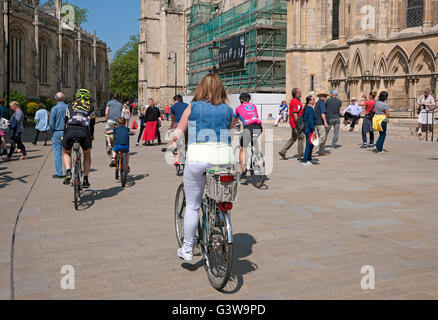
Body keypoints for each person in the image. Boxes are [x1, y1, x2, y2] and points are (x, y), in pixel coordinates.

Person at [172, 73, 235, 262]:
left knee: (192, 205)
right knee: (221, 198)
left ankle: (188, 249)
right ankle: (220, 221)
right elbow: (230, 136)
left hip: (199, 157)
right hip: (223, 157)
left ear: (201, 88)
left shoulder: (193, 107)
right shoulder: (229, 110)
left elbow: (178, 132)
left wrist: (173, 147)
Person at [62, 89, 95, 188]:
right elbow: (92, 125)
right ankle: (85, 179)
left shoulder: (69, 105)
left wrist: (64, 134)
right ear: (88, 98)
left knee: (66, 152)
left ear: (76, 97)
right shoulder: (91, 107)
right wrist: (91, 136)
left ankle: (68, 172)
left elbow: (66, 121)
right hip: (84, 132)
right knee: (87, 155)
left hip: (70, 131)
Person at [234, 92, 263, 180]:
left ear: (241, 100)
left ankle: (243, 171)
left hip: (248, 128)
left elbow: (235, 119)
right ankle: (254, 161)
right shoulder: (253, 106)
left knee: (243, 149)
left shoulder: (238, 108)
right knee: (253, 142)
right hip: (259, 127)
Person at [279, 88, 305, 161]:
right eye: (300, 92)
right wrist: (298, 125)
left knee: (293, 138)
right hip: (295, 123)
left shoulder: (297, 101)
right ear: (296, 94)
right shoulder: (294, 101)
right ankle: (300, 155)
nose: (301, 93)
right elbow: (295, 114)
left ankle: (282, 151)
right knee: (301, 137)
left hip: (295, 122)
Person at [49, 93, 68, 179]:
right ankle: (69, 171)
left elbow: (51, 123)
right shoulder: (68, 107)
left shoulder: (54, 109)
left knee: (58, 153)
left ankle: (59, 173)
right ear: (64, 99)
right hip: (68, 132)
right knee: (67, 152)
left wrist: (51, 130)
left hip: (57, 132)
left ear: (56, 99)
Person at [313, 90, 329, 156]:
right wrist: (325, 122)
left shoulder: (317, 103)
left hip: (316, 122)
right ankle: (313, 150)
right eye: (325, 96)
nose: (326, 97)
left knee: (321, 137)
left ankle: (321, 152)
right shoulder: (322, 103)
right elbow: (323, 113)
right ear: (321, 96)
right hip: (320, 122)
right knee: (323, 137)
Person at [302, 95, 316, 166]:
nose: (314, 101)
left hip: (308, 128)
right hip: (309, 129)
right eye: (313, 99)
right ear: (310, 101)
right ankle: (305, 160)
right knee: (309, 144)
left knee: (311, 144)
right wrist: (313, 130)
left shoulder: (308, 108)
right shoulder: (310, 109)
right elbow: (310, 120)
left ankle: (309, 158)